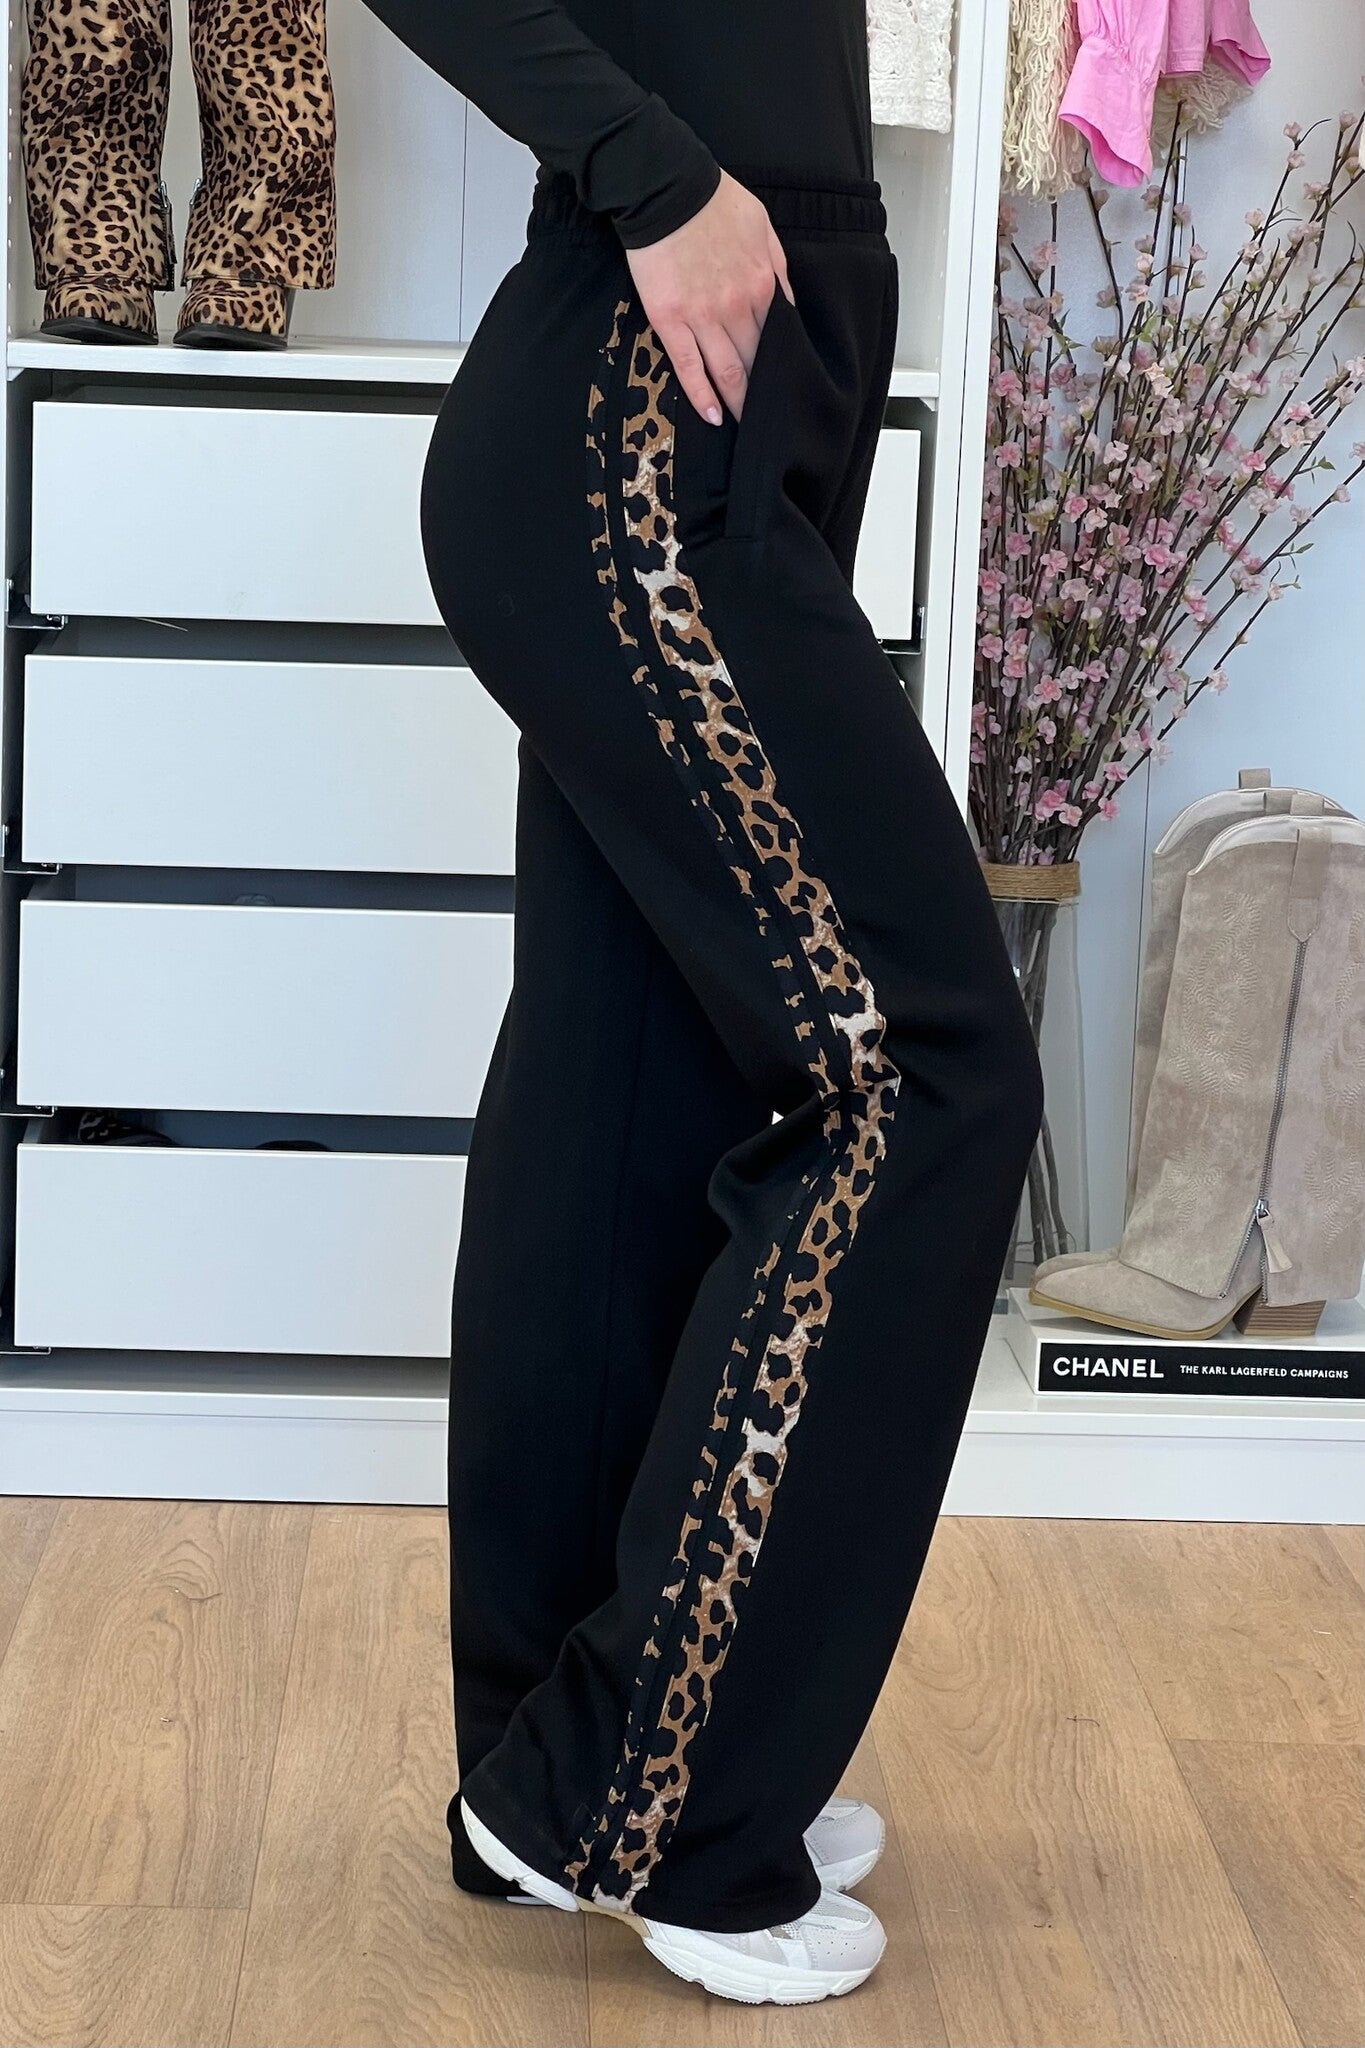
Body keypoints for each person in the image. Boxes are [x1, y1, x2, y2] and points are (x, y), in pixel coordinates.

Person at [360, 0, 1045, 2008]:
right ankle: (653, 1791)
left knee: (627, 1075)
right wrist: (655, 173)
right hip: (637, 387)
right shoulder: (657, 216)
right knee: (922, 1073)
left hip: (744, 359)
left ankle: (550, 1763)